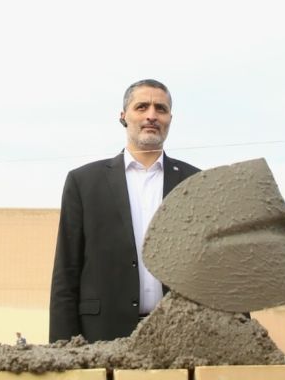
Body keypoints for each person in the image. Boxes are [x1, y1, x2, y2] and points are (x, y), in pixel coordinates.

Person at [49, 79, 200, 343]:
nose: (151, 115)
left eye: (160, 109)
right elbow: (66, 272)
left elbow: (215, 267)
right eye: (142, 107)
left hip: (179, 337)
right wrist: (62, 350)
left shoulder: (195, 183)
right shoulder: (84, 182)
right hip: (101, 337)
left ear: (170, 119)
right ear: (123, 116)